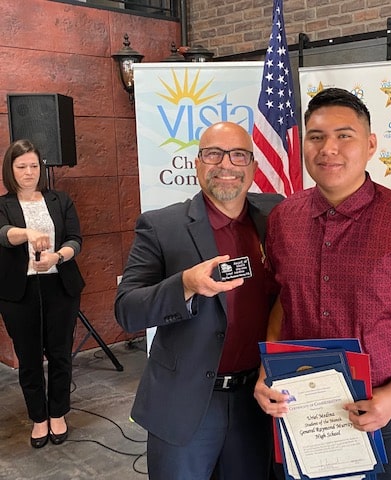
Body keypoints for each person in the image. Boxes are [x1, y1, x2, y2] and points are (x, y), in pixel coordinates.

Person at [254, 88, 391, 480]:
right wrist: (266, 370)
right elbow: (284, 299)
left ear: (370, 145)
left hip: (381, 414)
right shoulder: (284, 218)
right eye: (316, 137)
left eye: (344, 135)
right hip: (299, 409)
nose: (328, 148)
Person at [115, 122, 282, 480]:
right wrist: (185, 285)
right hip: (185, 404)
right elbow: (127, 310)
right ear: (197, 163)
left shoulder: (275, 217)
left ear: (254, 166)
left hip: (255, 401)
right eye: (213, 154)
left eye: (238, 155)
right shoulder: (161, 226)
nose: (226, 165)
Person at [0, 139, 85, 449]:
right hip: (19, 292)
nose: (29, 172)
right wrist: (27, 233)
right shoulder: (3, 205)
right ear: (10, 170)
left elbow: (75, 239)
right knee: (29, 358)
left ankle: (58, 413)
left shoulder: (60, 200)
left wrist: (57, 257)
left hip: (59, 287)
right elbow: (3, 235)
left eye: (34, 166)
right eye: (21, 166)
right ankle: (39, 417)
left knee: (60, 353)